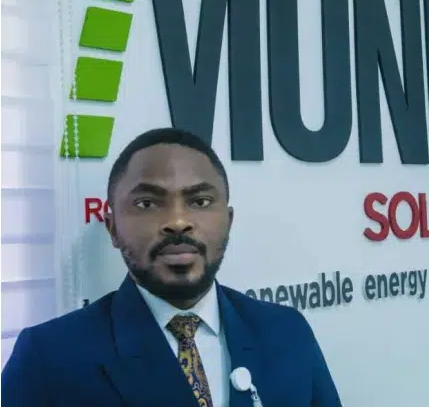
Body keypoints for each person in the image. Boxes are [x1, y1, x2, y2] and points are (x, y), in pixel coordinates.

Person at [1, 127, 342, 407]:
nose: (178, 221)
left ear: (229, 221)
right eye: (147, 203)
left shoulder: (287, 332)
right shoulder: (47, 358)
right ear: (113, 229)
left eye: (200, 201)